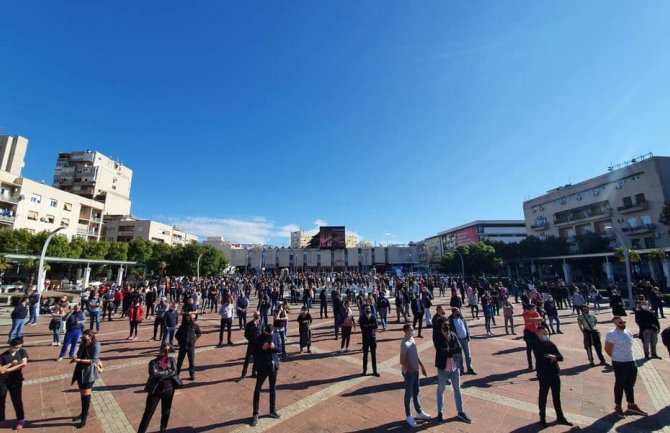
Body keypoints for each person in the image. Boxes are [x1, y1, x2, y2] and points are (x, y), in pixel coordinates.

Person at [604, 316, 648, 418]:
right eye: (620, 323)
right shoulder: (611, 334)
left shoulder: (628, 332)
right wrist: (616, 357)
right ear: (615, 324)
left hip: (631, 361)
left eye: (624, 322)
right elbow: (607, 349)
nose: (623, 324)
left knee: (630, 384)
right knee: (620, 384)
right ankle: (618, 405)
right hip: (619, 362)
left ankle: (631, 404)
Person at [532, 326, 573, 428]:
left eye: (547, 333)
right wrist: (552, 357)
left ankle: (560, 416)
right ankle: (542, 418)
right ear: (537, 333)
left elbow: (561, 357)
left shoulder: (550, 343)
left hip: (554, 374)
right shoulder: (536, 344)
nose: (546, 335)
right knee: (543, 396)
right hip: (543, 375)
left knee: (556, 396)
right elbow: (541, 357)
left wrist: (554, 357)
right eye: (544, 333)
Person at [137, 343, 179, 433]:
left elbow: (175, 372)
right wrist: (168, 372)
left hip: (168, 390)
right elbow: (154, 374)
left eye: (168, 350)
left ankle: (163, 429)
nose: (166, 352)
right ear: (160, 349)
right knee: (148, 414)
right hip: (155, 391)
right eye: (165, 350)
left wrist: (162, 374)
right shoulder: (153, 362)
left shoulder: (171, 360)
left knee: (166, 412)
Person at [434, 320, 471, 424]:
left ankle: (460, 411)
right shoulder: (437, 337)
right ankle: (440, 413)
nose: (446, 328)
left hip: (455, 367)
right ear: (440, 327)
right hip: (443, 368)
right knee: (441, 389)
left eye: (447, 325)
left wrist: (450, 351)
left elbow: (459, 349)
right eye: (443, 326)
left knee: (457, 389)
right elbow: (441, 350)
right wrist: (451, 350)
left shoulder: (453, 335)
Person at [399, 324, 431, 428]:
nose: (414, 331)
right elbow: (402, 361)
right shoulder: (404, 344)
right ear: (406, 331)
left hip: (415, 370)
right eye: (412, 330)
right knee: (408, 394)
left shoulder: (412, 339)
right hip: (409, 373)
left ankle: (419, 411)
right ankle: (408, 416)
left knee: (416, 391)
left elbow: (416, 354)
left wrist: (421, 366)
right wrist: (410, 370)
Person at [251, 324, 282, 426]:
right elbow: (254, 353)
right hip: (262, 366)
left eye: (271, 334)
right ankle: (255, 413)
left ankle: (272, 410)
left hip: (273, 366)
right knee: (258, 389)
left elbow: (280, 348)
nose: (270, 336)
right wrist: (262, 348)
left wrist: (274, 347)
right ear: (265, 331)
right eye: (268, 334)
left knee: (273, 388)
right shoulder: (259, 338)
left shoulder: (276, 335)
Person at [70, 329, 101, 428]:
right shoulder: (83, 343)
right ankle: (83, 413)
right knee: (82, 394)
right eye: (83, 336)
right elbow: (79, 353)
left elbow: (94, 360)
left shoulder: (96, 345)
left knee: (86, 395)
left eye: (85, 336)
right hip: (80, 370)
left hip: (89, 373)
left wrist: (80, 360)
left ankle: (84, 419)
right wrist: (75, 356)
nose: (83, 337)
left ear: (91, 336)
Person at [0, 337, 28, 430]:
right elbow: (0, 370)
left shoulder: (22, 352)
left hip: (16, 381)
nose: (17, 349)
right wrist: (11, 364)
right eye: (16, 347)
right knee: (1, 400)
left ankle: (21, 419)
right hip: (2, 381)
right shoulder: (3, 356)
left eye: (19, 347)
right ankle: (1, 419)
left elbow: (23, 365)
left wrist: (7, 369)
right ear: (11, 346)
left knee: (16, 400)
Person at [447, 308, 476, 375]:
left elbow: (466, 327)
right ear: (453, 313)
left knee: (468, 355)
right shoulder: (450, 320)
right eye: (457, 312)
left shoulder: (461, 318)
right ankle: (461, 370)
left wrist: (468, 335)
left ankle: (470, 368)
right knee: (459, 356)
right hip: (458, 340)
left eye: (459, 312)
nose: (459, 313)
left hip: (465, 339)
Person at [176, 313, 201, 381]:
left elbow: (199, 333)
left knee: (191, 361)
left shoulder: (195, 326)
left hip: (191, 346)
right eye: (191, 318)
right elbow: (177, 335)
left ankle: (192, 374)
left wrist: (194, 340)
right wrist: (181, 341)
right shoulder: (183, 326)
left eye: (193, 318)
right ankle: (176, 374)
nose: (192, 320)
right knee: (179, 361)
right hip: (183, 346)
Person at [359, 305, 380, 377]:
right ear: (364, 310)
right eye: (367, 309)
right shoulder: (362, 317)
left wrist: (368, 326)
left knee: (373, 355)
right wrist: (371, 326)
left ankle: (375, 371)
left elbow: (376, 326)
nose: (368, 310)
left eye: (369, 309)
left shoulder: (373, 317)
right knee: (365, 355)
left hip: (373, 338)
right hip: (365, 338)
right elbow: (362, 327)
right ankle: (364, 370)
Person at [241, 311, 261, 379]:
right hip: (251, 344)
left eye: (258, 315)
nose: (257, 316)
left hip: (258, 345)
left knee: (256, 359)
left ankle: (254, 372)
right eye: (256, 315)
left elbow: (262, 332)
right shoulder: (249, 324)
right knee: (247, 359)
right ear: (253, 316)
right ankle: (244, 373)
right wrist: (251, 339)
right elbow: (246, 334)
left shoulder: (261, 323)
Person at [522, 304, 543, 371]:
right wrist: (536, 320)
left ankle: (538, 366)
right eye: (533, 309)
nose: (535, 310)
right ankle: (530, 366)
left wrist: (535, 320)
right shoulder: (525, 313)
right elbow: (530, 320)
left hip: (535, 333)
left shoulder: (536, 313)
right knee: (529, 351)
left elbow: (541, 319)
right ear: (529, 309)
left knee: (536, 351)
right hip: (528, 333)